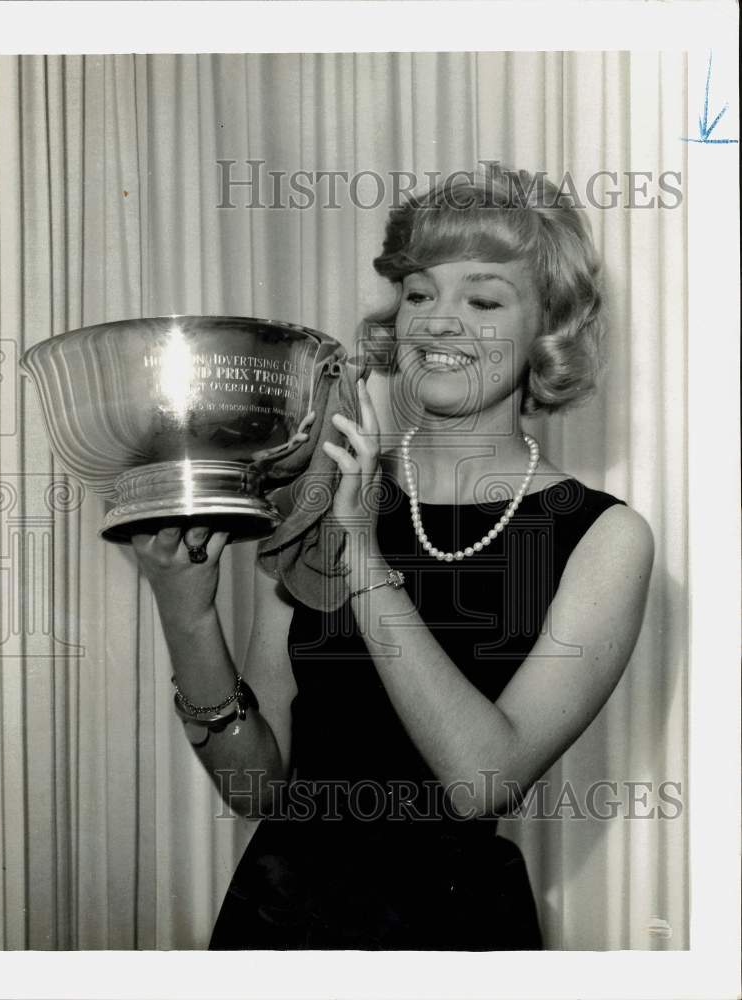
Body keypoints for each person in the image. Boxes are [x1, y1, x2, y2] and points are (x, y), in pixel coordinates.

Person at [131, 164, 655, 950]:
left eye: (481, 299)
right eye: (418, 292)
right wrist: (185, 612)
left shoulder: (603, 536)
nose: (437, 322)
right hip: (278, 924)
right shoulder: (325, 488)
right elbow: (255, 789)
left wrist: (363, 553)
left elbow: (481, 782)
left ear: (547, 329)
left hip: (451, 930)